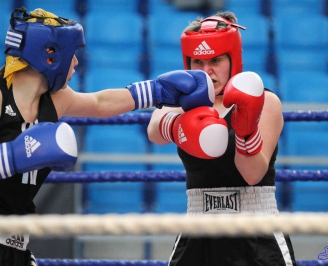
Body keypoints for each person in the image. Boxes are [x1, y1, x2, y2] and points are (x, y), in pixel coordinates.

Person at [0, 7, 214, 266]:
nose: (77, 63)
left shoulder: (56, 100)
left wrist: (157, 91)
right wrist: (12, 157)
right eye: (73, 54)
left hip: (15, 243)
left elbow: (101, 103)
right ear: (50, 55)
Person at [147, 11, 296, 265]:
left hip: (255, 228)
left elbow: (252, 174)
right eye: (198, 62)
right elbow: (154, 131)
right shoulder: (184, 103)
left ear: (233, 59)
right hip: (198, 227)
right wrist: (179, 124)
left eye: (215, 60)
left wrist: (245, 128)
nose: (207, 71)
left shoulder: (265, 101)